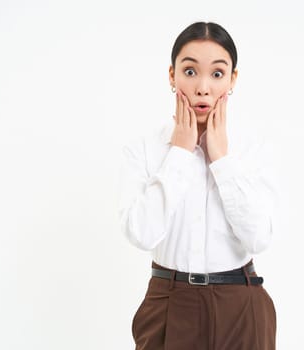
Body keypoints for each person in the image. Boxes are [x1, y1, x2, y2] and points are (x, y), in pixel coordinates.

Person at [118, 21, 279, 350]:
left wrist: (221, 159)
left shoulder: (251, 149)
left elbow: (260, 238)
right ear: (171, 75)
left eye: (217, 74)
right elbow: (141, 234)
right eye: (190, 72)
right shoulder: (146, 149)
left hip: (241, 303)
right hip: (168, 301)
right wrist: (178, 152)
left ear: (232, 79)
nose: (203, 87)